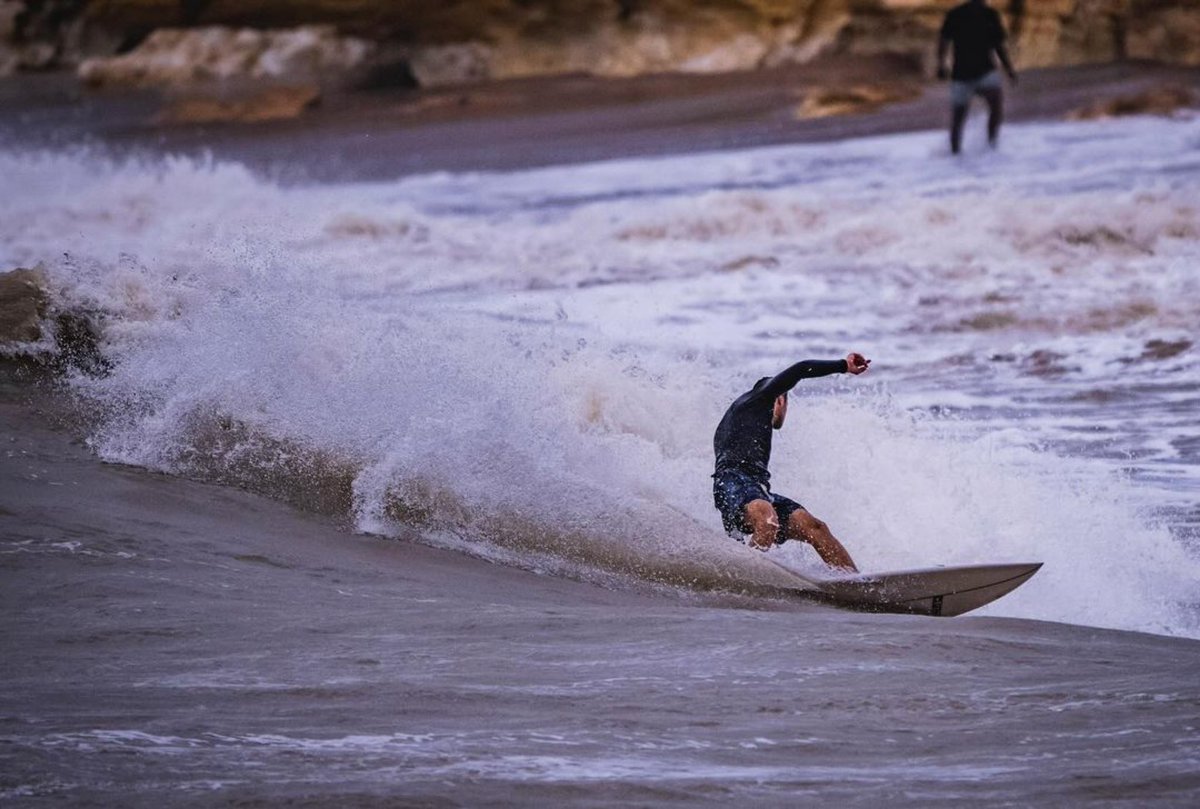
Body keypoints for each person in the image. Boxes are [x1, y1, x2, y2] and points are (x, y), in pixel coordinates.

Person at [712, 353, 870, 571]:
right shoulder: (760, 398)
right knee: (767, 519)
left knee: (814, 526)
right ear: (780, 399)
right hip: (733, 483)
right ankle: (746, 579)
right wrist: (844, 365)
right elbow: (802, 368)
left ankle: (855, 584)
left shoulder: (741, 416)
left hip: (756, 489)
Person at [936, 0, 1018, 154]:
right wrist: (1009, 70)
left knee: (962, 116)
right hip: (968, 73)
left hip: (974, 72)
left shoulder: (984, 14)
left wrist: (941, 65)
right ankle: (987, 145)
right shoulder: (964, 14)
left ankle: (978, 148)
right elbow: (999, 47)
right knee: (989, 107)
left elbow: (943, 42)